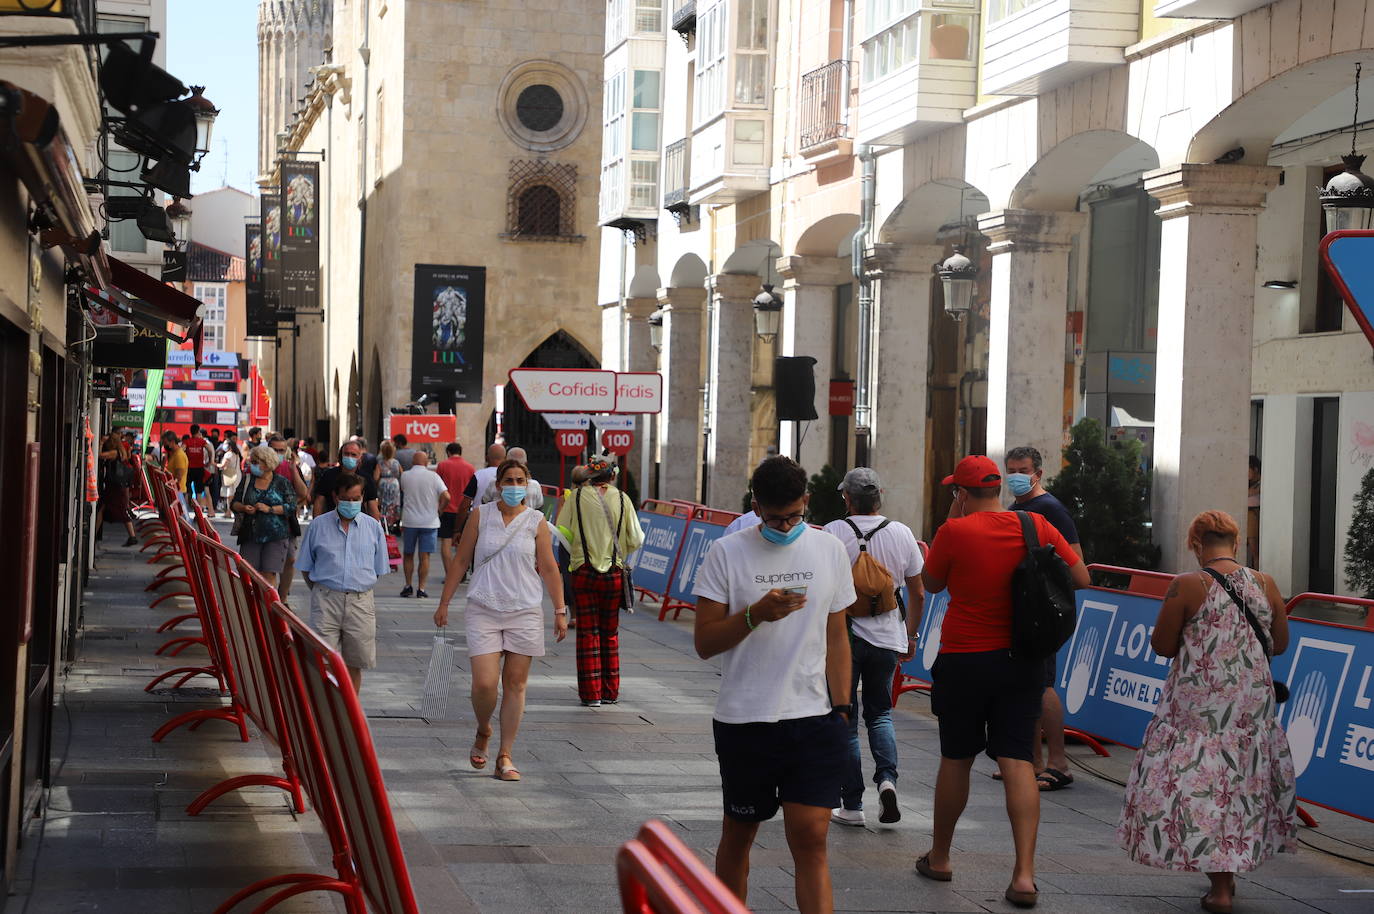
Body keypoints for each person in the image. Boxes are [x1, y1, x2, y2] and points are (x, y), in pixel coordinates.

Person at [917, 455, 1089, 909]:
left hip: (964, 660)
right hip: (1021, 660)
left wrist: (952, 524)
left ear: (962, 493)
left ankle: (940, 857)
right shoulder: (1034, 525)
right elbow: (1081, 576)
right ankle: (1024, 876)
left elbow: (932, 583)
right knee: (1016, 760)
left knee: (956, 758)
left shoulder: (953, 532)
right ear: (998, 488)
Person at [692, 456, 855, 914]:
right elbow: (704, 642)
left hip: (814, 718)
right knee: (739, 835)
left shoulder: (829, 551)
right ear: (755, 505)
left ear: (807, 501)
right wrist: (754, 614)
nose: (785, 525)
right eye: (774, 517)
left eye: (794, 515)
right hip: (745, 720)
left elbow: (837, 635)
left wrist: (842, 709)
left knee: (811, 838)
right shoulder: (728, 552)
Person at [1118, 510, 1295, 914]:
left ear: (1196, 545)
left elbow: (1162, 646)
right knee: (1240, 782)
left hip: (1199, 705)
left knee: (1204, 783)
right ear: (1235, 542)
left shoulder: (1186, 585)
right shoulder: (1266, 583)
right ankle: (1227, 877)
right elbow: (1280, 643)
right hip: (1250, 703)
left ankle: (1220, 888)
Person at [434, 458, 569, 781]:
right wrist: (444, 602)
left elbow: (549, 568)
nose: (513, 486)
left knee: (515, 685)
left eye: (519, 480)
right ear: (497, 485)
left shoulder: (536, 520)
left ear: (528, 485)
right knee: (483, 683)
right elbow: (462, 558)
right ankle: (483, 729)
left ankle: (505, 755)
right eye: (508, 480)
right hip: (484, 606)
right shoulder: (481, 515)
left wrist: (560, 610)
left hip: (524, 609)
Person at [822, 468, 925, 827]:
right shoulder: (901, 533)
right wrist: (910, 636)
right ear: (880, 495)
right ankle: (887, 781)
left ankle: (851, 805)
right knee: (880, 714)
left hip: (843, 639)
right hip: (887, 639)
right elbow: (918, 591)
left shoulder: (833, 532)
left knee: (845, 718)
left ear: (847, 499)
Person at [1005, 445, 1084, 793]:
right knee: (1025, 685)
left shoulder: (1052, 509)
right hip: (1020, 609)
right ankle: (1032, 762)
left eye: (1022, 469)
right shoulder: (1015, 509)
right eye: (1011, 470)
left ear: (1038, 472)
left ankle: (1058, 762)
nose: (1016, 476)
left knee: (1044, 684)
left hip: (1042, 611)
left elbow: (1075, 562)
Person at [555, 455, 643, 706]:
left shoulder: (577, 498)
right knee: (610, 632)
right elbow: (636, 539)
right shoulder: (624, 499)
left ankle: (591, 694)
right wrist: (619, 549)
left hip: (583, 571)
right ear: (612, 476)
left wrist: (579, 550)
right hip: (613, 573)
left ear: (589, 476)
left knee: (587, 634)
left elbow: (562, 531)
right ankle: (610, 691)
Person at [296, 473, 391, 693]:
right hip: (326, 600)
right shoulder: (318, 526)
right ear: (335, 497)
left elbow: (377, 570)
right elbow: (306, 567)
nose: (351, 503)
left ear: (362, 497)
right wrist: (323, 591)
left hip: (360, 602)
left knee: (355, 663)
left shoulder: (373, 528)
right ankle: (327, 712)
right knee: (322, 659)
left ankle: (350, 713)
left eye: (356, 498)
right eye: (346, 498)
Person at [231, 445, 297, 589]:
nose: (252, 465)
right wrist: (243, 508)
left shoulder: (281, 482)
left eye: (256, 462)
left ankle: (267, 608)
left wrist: (270, 509)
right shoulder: (247, 480)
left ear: (267, 464)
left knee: (269, 575)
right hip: (250, 535)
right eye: (252, 461)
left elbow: (291, 506)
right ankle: (251, 607)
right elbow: (234, 503)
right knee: (248, 574)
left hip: (276, 536)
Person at [398, 450, 449, 598]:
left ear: (413, 462)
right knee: (424, 556)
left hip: (410, 521)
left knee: (408, 554)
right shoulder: (434, 476)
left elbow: (403, 489)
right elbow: (447, 496)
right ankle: (421, 588)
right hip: (430, 521)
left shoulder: (405, 476)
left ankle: (408, 586)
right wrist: (439, 509)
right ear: (426, 462)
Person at [269, 436, 311, 599]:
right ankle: (272, 599)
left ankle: (283, 597)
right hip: (267, 524)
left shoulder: (290, 467)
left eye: (282, 450)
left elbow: (303, 494)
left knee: (290, 560)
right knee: (270, 565)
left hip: (287, 523)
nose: (278, 454)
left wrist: (294, 469)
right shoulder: (260, 468)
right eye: (275, 450)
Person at [314, 440, 382, 520]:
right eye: (346, 454)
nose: (349, 457)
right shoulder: (329, 475)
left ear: (360, 458)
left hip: (359, 525)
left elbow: (372, 507)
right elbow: (319, 502)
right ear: (341, 456)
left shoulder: (366, 479)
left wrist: (375, 528)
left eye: (353, 455)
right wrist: (316, 523)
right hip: (331, 523)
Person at [435, 441, 476, 569]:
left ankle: (449, 573)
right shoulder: (470, 468)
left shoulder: (442, 465)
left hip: (446, 509)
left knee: (445, 543)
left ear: (448, 452)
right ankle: (461, 573)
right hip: (463, 510)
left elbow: (438, 488)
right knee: (462, 543)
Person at [95, 432, 139, 546]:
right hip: (116, 486)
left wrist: (100, 443)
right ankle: (94, 534)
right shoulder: (121, 451)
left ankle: (132, 536)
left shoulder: (114, 453)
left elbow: (99, 455)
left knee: (118, 510)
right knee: (104, 508)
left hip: (114, 487)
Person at [478, 447, 544, 509]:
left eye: (520, 481)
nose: (515, 486)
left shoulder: (493, 483)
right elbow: (539, 507)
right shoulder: (535, 486)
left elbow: (485, 502)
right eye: (509, 480)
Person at [463, 443, 507, 512]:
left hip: (479, 517)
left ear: (486, 458)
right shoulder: (508, 476)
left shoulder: (478, 475)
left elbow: (465, 503)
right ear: (505, 459)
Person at [374, 440, 403, 530]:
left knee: (383, 505)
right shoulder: (396, 462)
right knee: (395, 504)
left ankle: (384, 522)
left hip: (383, 485)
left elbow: (375, 477)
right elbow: (402, 474)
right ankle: (395, 523)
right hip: (395, 484)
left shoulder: (380, 463)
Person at [161, 431, 189, 511]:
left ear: (172, 442)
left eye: (165, 443)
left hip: (178, 492)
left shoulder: (179, 455)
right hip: (175, 491)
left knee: (181, 519)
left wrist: (169, 484)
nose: (164, 445)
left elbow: (178, 477)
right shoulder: (174, 454)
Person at [217, 439, 242, 519]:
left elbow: (223, 465)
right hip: (237, 475)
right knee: (233, 494)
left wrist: (214, 464)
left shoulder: (228, 454)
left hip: (230, 476)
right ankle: (232, 512)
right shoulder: (236, 454)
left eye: (225, 444)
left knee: (229, 495)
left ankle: (229, 512)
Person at [1247, 455, 1261, 568]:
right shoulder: (1249, 483)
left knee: (1255, 552)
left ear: (1255, 469)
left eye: (1248, 469)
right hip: (1248, 515)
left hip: (1253, 515)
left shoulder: (1261, 482)